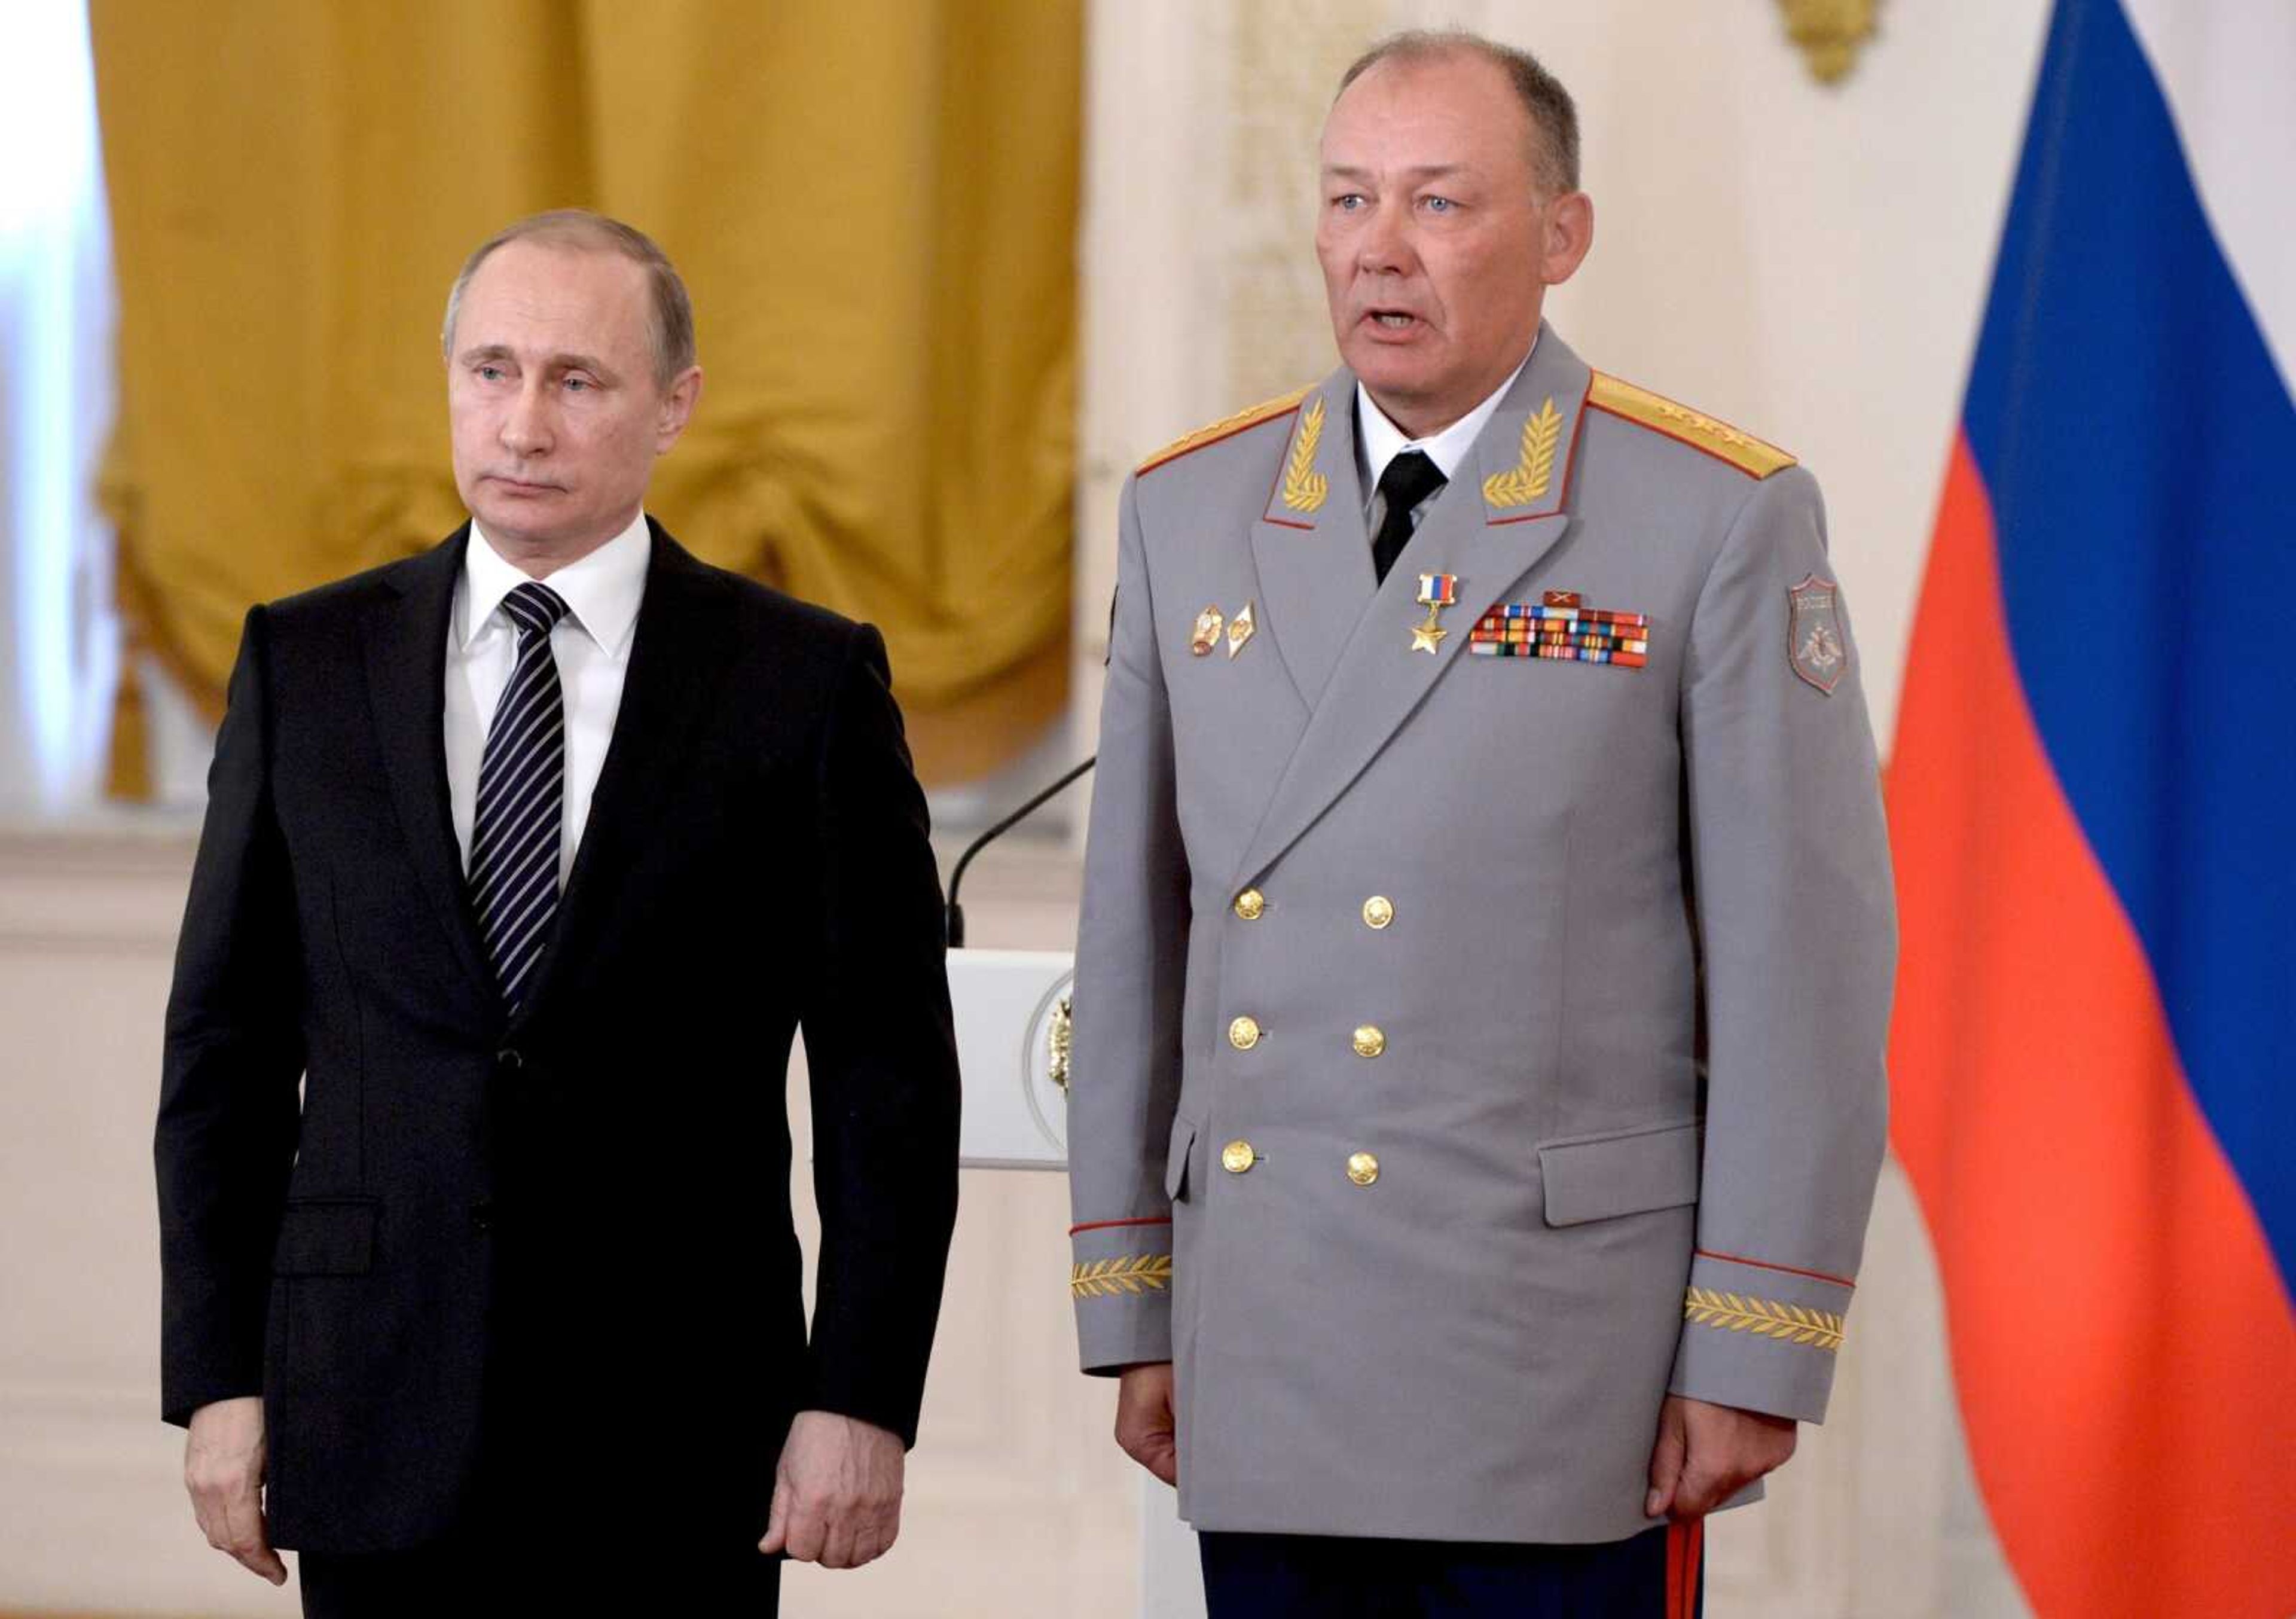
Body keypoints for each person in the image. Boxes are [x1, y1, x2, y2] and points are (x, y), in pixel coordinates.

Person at [1065, 29, 1894, 1617]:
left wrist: (1756, 1337)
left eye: (1440, 203)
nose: (1380, 248)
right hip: (1272, 1339)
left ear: (1561, 235)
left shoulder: (1711, 516)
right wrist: (1137, 1304)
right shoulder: (1191, 513)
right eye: (1349, 200)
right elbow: (1132, 940)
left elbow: (1806, 968)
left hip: (1561, 1360)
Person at [155, 209, 961, 1614]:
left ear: (673, 408)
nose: (522, 422)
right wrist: (217, 1375)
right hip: (368, 1406)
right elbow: (221, 1060)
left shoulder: (804, 686)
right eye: (491, 371)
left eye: (576, 381)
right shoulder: (305, 661)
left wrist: (862, 1396)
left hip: (681, 1432)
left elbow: (888, 1081)